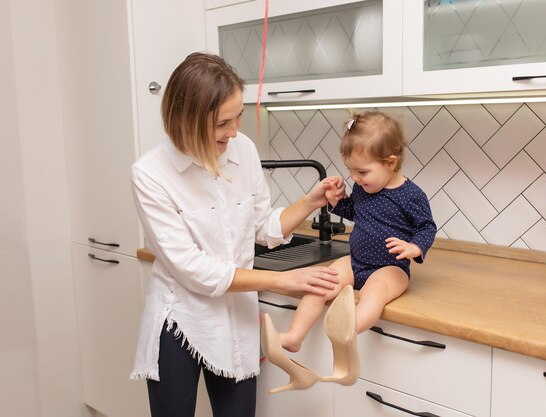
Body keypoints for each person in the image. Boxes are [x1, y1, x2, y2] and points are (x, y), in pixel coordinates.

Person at [129, 52, 343, 417]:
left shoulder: (242, 149)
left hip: (237, 314)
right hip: (181, 317)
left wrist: (310, 201)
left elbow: (263, 228)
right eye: (222, 123)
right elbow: (193, 269)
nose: (234, 131)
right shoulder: (150, 174)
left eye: (239, 116)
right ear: (186, 121)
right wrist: (281, 281)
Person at [264, 110, 437, 388]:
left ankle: (348, 330)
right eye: (350, 171)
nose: (354, 178)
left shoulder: (411, 195)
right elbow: (353, 211)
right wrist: (335, 199)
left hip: (390, 267)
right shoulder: (363, 189)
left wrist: (414, 247)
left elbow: (427, 227)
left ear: (390, 163)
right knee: (319, 284)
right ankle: (294, 336)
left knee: (375, 293)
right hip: (355, 261)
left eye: (362, 171)